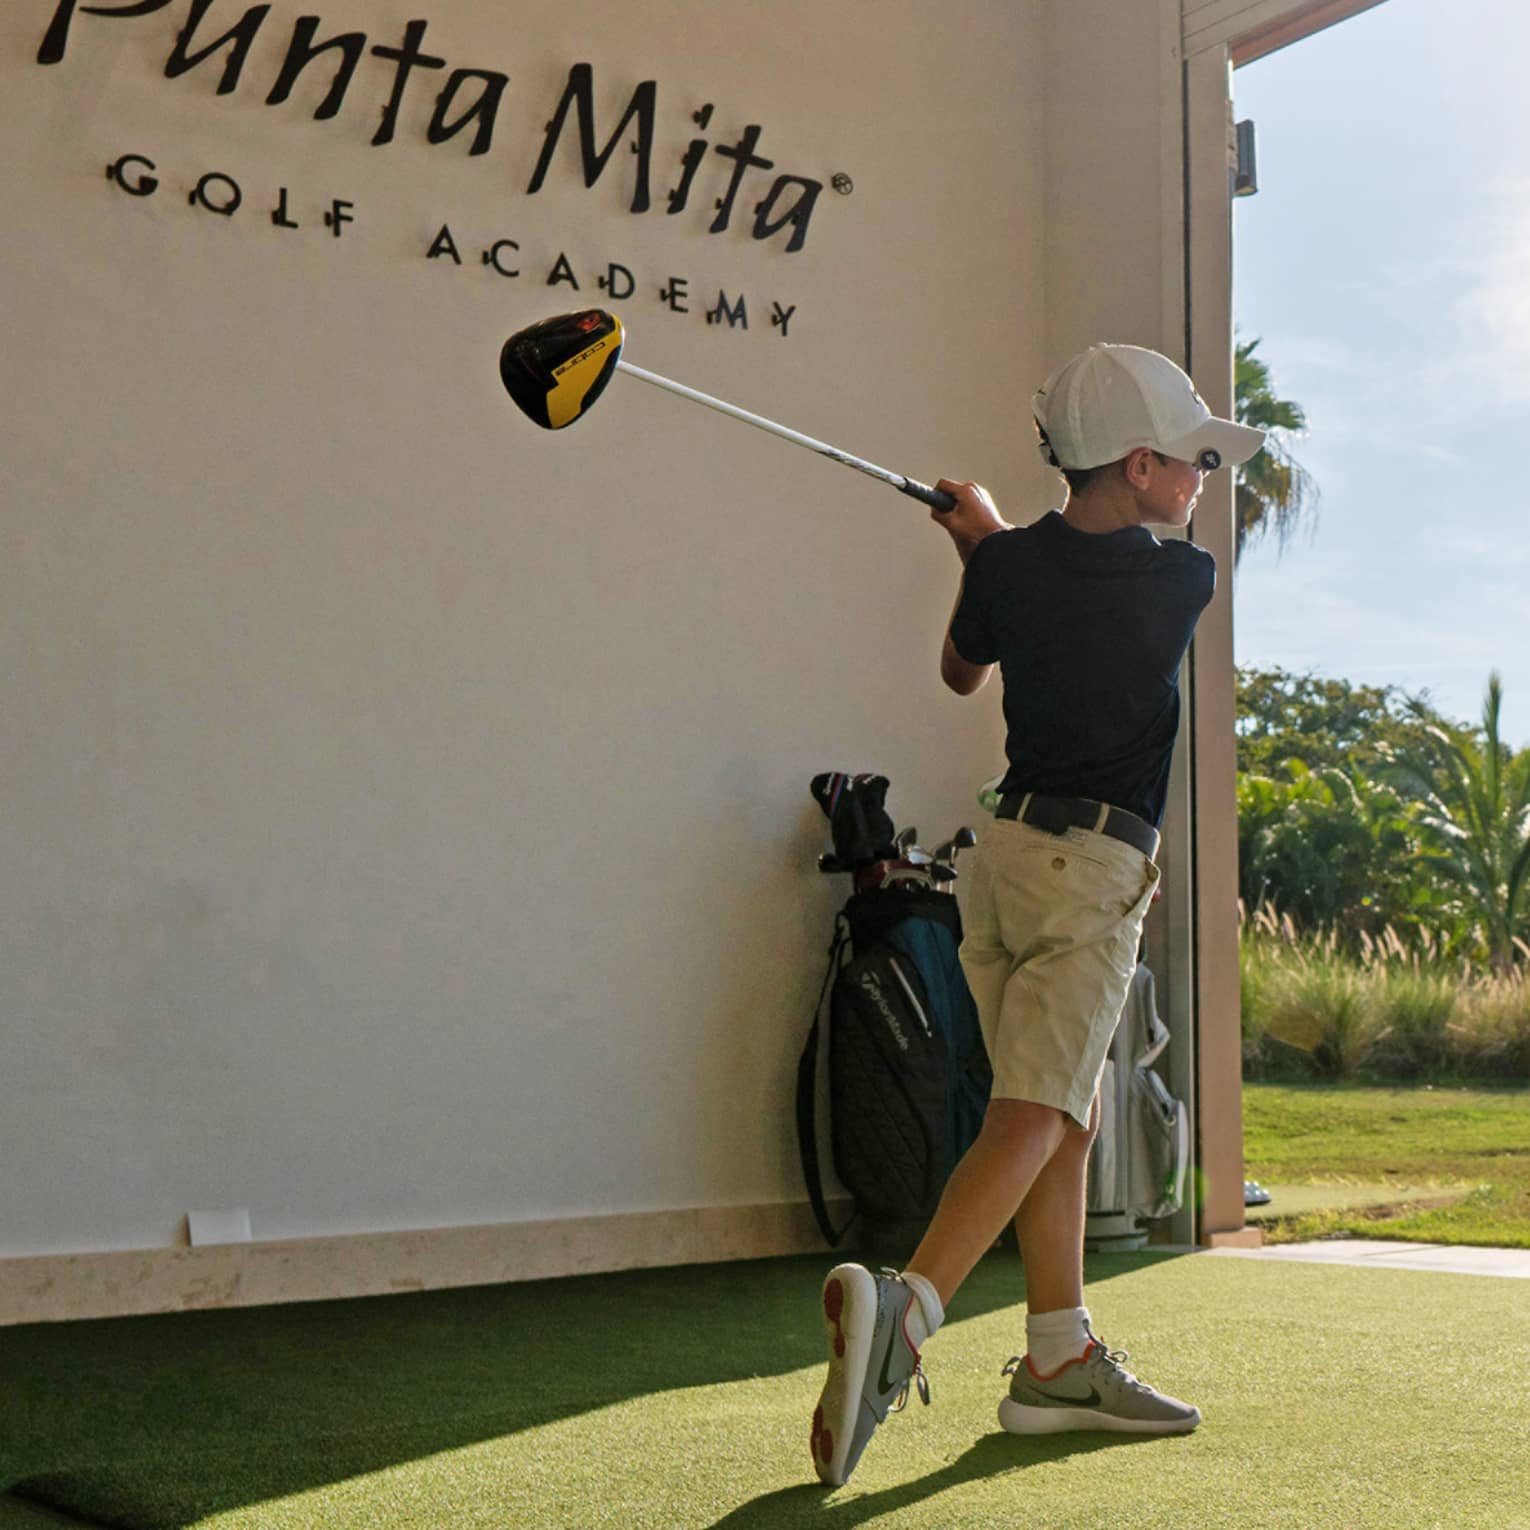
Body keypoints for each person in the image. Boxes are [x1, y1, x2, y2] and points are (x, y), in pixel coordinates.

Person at [809, 343, 1266, 1488]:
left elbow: (967, 668)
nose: (1204, 480)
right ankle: (907, 1315)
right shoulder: (1182, 579)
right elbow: (1079, 577)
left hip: (1004, 863)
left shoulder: (1009, 570)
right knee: (1036, 1110)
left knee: (1068, 1106)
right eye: (1194, 460)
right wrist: (992, 540)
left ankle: (1056, 1362)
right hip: (1091, 869)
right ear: (1143, 464)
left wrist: (986, 549)